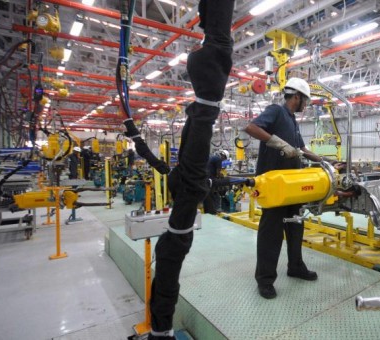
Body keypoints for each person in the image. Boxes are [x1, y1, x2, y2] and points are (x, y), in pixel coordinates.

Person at [148, 1, 235, 339]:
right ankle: (160, 331)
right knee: (218, 38)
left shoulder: (190, 179)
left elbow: (193, 149)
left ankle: (161, 331)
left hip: (206, 82)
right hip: (204, 86)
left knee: (220, 38)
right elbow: (195, 147)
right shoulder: (189, 176)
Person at [244, 77, 327, 300]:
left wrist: (322, 160)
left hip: (293, 184)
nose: (306, 106)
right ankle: (265, 279)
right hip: (274, 185)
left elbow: (300, 147)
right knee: (271, 232)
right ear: (297, 97)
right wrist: (279, 144)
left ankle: (296, 266)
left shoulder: (292, 120)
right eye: (305, 101)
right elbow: (251, 127)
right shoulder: (276, 111)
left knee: (296, 225)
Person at [202, 150, 228, 214]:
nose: (223, 161)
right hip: (210, 179)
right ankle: (217, 209)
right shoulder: (218, 159)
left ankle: (209, 209)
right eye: (224, 159)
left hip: (205, 178)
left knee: (209, 194)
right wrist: (222, 177)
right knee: (215, 194)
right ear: (223, 156)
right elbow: (218, 172)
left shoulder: (213, 157)